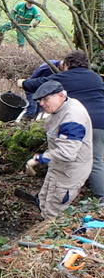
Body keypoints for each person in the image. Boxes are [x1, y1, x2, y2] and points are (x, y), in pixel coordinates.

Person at [20, 50, 104, 201]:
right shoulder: (95, 77)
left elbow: (40, 84)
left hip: (84, 124)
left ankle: (101, 200)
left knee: (83, 158)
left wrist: (23, 83)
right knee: (95, 159)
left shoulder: (64, 77)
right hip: (102, 121)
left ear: (67, 64)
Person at [23, 81, 93, 219]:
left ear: (61, 95)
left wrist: (38, 159)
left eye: (45, 99)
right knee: (44, 198)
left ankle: (47, 238)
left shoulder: (72, 117)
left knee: (54, 208)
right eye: (40, 100)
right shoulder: (60, 107)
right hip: (58, 165)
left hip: (70, 169)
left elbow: (67, 153)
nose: (41, 104)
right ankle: (40, 229)